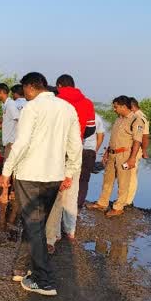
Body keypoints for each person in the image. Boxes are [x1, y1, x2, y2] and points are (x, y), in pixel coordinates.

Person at [0, 72, 82, 296]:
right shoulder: (67, 108)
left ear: (30, 87)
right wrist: (70, 172)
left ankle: (44, 280)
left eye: (24, 90)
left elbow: (22, 142)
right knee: (34, 224)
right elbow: (75, 145)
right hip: (54, 176)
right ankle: (20, 268)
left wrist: (6, 171)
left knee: (34, 225)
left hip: (30, 174)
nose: (24, 94)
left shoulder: (32, 108)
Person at [46, 75, 95, 250]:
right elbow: (91, 129)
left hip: (55, 151)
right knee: (72, 192)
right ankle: (70, 231)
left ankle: (54, 233)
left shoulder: (55, 100)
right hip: (76, 149)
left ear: (59, 85)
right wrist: (78, 137)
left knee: (55, 192)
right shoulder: (87, 102)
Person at [87, 96, 143, 217]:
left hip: (125, 154)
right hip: (112, 154)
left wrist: (132, 158)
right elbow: (114, 138)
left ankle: (118, 207)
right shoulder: (119, 119)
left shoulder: (136, 120)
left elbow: (138, 141)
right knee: (107, 180)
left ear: (123, 107)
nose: (114, 109)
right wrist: (107, 152)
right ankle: (102, 203)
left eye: (116, 107)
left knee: (123, 182)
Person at [0, 83, 23, 203]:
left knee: (7, 168)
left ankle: (4, 195)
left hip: (12, 141)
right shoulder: (6, 104)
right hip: (10, 140)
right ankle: (12, 193)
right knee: (12, 168)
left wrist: (18, 138)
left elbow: (19, 119)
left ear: (2, 92)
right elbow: (7, 120)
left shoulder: (11, 104)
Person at [78, 111, 105, 208]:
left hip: (76, 151)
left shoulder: (75, 113)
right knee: (84, 180)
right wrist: (95, 150)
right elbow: (101, 136)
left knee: (70, 178)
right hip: (89, 151)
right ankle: (78, 205)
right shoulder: (96, 117)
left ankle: (67, 205)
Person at [126, 97, 150, 206]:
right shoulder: (135, 116)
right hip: (129, 150)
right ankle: (124, 198)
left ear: (131, 107)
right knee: (126, 173)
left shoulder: (140, 117)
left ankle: (128, 201)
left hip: (135, 151)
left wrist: (144, 151)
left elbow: (145, 137)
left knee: (131, 175)